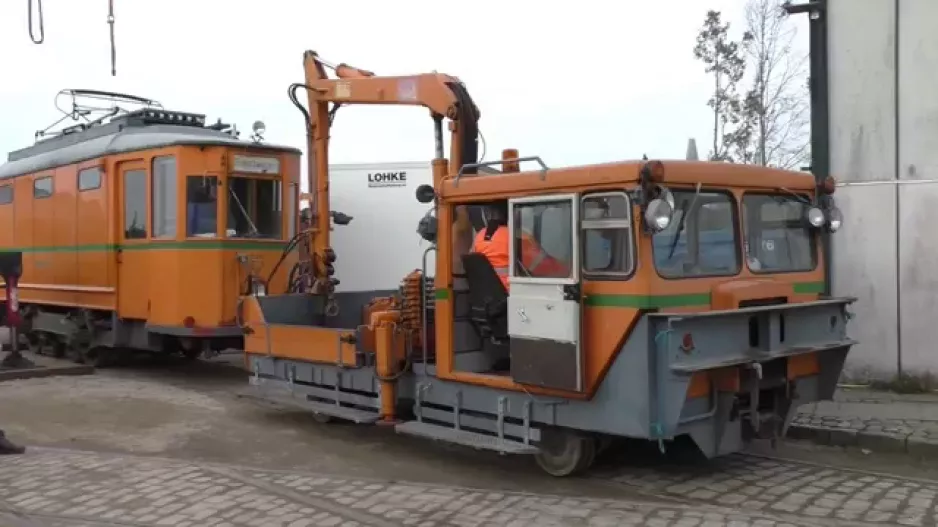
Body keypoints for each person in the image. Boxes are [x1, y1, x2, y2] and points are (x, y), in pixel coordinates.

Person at [471, 202, 569, 291]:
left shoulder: (480, 236)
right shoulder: (518, 237)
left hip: (487, 295)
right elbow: (544, 267)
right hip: (511, 293)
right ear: (513, 212)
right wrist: (568, 269)